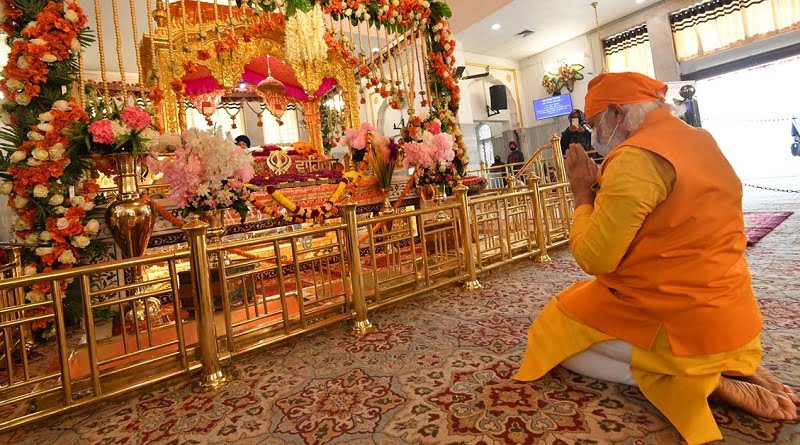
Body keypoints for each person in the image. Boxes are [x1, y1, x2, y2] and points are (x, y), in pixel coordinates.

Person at [514, 72, 798, 445]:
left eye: (595, 123)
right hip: (733, 314)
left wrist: (582, 195)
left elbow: (594, 258)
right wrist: (605, 185)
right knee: (586, 304)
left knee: (553, 332)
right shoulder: (699, 139)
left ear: (617, 113)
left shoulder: (635, 158)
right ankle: (724, 365)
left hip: (677, 316)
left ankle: (701, 380)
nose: (593, 135)